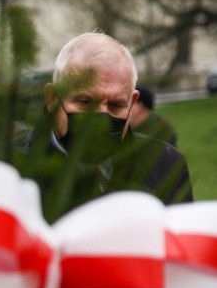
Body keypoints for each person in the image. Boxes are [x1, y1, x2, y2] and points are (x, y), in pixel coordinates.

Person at [34, 32, 192, 204]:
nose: (101, 118)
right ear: (52, 98)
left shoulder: (165, 165)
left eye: (115, 105)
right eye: (86, 102)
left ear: (132, 103)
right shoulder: (14, 168)